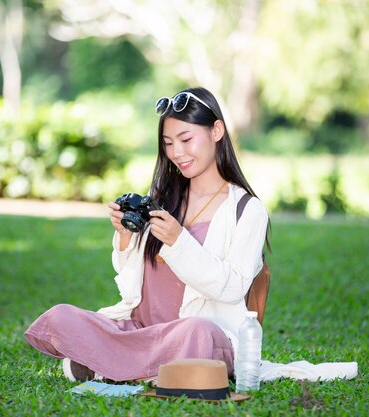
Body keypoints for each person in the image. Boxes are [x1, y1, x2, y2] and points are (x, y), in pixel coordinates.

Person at [24, 87, 270, 382]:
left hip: (197, 338)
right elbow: (131, 279)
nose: (177, 153)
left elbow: (231, 288)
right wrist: (125, 239)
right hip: (140, 330)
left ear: (217, 130)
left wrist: (179, 242)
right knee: (61, 316)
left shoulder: (247, 209)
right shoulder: (162, 197)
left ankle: (108, 363)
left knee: (197, 332)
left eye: (186, 139)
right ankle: (138, 363)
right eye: (168, 143)